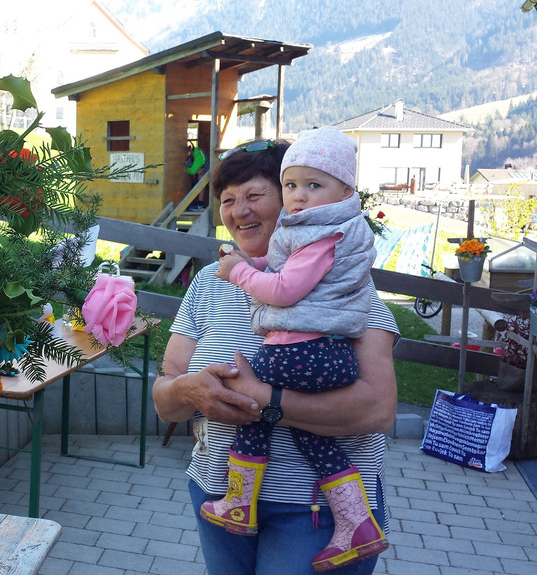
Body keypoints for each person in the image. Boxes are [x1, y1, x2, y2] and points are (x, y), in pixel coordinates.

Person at [152, 137, 398, 575]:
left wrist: (264, 400)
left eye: (254, 195)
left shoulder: (344, 283)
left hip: (314, 512)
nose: (238, 211)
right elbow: (165, 397)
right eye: (228, 199)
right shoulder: (209, 282)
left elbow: (378, 410)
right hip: (215, 490)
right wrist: (189, 390)